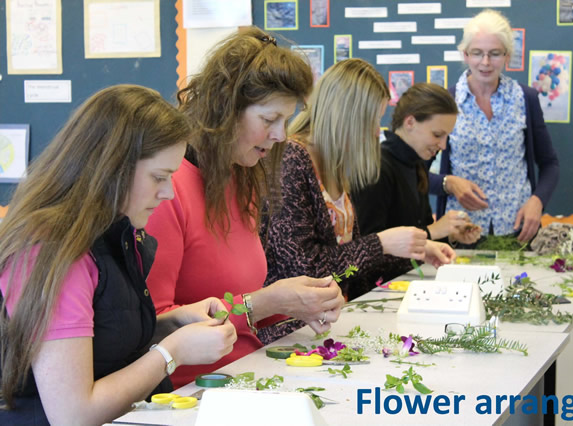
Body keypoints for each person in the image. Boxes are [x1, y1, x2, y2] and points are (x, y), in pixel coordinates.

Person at [0, 85, 237, 425]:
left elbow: (102, 341)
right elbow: (73, 414)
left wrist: (172, 325)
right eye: (159, 177)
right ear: (112, 168)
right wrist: (174, 352)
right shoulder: (52, 251)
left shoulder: (116, 233)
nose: (169, 193)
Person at [145, 27, 344, 389]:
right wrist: (267, 302)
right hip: (192, 389)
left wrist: (300, 302)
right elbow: (155, 325)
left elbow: (244, 305)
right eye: (269, 120)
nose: (281, 135)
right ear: (227, 111)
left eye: (285, 120)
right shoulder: (165, 193)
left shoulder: (241, 176)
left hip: (247, 372)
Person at [260, 59, 455, 342]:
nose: (378, 131)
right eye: (373, 120)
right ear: (347, 116)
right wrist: (383, 243)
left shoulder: (337, 165)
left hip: (328, 328)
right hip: (289, 336)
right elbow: (305, 270)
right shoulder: (291, 160)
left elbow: (353, 266)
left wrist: (412, 251)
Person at [429, 9, 559, 243]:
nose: (485, 63)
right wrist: (448, 183)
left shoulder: (526, 99)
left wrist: (537, 201)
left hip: (518, 232)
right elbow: (415, 173)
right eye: (477, 53)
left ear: (507, 56)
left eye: (495, 53)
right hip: (460, 233)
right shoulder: (445, 103)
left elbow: (550, 164)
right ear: (465, 54)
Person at [352, 82, 482, 246]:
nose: (442, 145)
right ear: (410, 122)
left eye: (446, 137)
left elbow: (422, 234)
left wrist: (450, 234)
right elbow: (367, 248)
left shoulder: (417, 164)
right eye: (437, 135)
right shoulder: (378, 168)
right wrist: (434, 230)